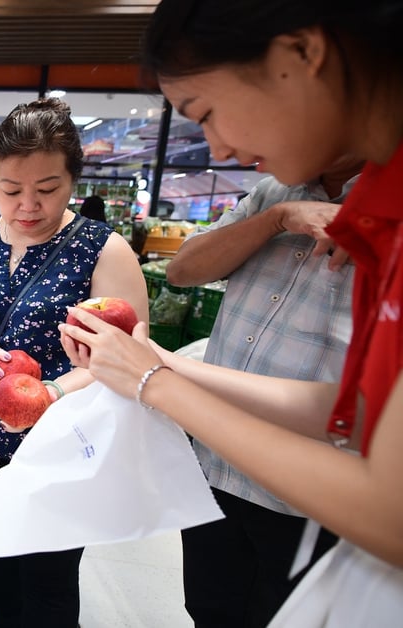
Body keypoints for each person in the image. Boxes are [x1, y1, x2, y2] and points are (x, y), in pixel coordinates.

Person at [60, 0, 403, 622]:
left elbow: (390, 508)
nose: (219, 145)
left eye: (207, 113)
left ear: (301, 53)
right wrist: (159, 367)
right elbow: (352, 412)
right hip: (224, 480)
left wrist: (156, 381)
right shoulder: (334, 198)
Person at [0, 98, 149, 627]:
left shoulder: (104, 250)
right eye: (11, 190)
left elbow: (132, 357)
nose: (28, 205)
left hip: (65, 448)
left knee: (48, 583)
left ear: (73, 179)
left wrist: (53, 392)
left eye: (48, 189)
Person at [165, 160, 362, 626]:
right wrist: (275, 219)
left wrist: (162, 372)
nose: (229, 148)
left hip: (311, 491)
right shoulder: (272, 191)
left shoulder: (385, 207)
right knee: (209, 607)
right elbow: (183, 269)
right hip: (216, 464)